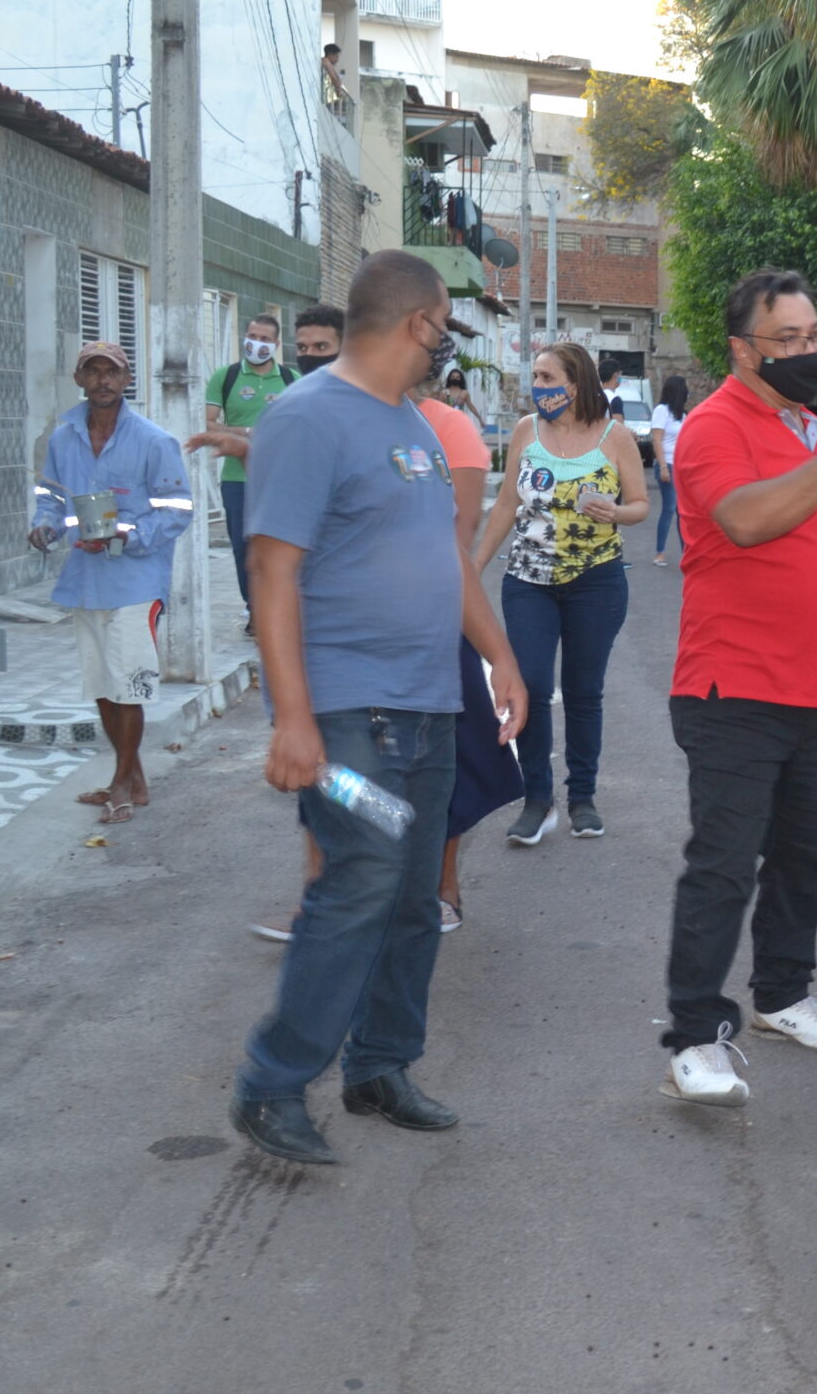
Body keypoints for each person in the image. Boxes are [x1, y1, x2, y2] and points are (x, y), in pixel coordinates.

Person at [227, 249, 529, 1168]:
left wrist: (501, 658)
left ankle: (380, 1065)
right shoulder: (306, 418)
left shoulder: (412, 424)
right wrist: (293, 718)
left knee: (411, 893)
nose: (445, 346)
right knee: (360, 874)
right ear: (417, 324)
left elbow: (446, 555)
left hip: (427, 708)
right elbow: (271, 570)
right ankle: (273, 1083)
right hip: (346, 717)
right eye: (443, 330)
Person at [658, 269, 817, 1106]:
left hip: (814, 689)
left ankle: (783, 993)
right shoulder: (714, 426)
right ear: (742, 349)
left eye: (814, 335)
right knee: (724, 866)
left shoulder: (801, 426)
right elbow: (746, 518)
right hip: (734, 688)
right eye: (788, 339)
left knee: (804, 855)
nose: (808, 351)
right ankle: (694, 1035)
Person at [474, 341, 648, 845]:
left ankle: (582, 798)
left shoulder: (615, 437)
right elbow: (506, 504)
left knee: (583, 690)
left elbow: (640, 504)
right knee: (529, 683)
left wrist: (616, 512)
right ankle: (537, 800)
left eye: (548, 378)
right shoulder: (526, 431)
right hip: (528, 580)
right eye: (536, 377)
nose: (539, 387)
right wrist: (472, 569)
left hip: (597, 581)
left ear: (577, 383)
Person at [28, 341, 194, 825]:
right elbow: (50, 497)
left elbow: (178, 509)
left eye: (112, 372)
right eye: (93, 371)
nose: (102, 380)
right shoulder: (63, 438)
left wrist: (129, 535)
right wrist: (44, 526)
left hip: (136, 580)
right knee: (103, 685)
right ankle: (132, 780)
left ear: (126, 380)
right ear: (79, 379)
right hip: (85, 577)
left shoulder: (154, 441)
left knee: (130, 687)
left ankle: (121, 783)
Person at [204, 313, 294, 624]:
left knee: (278, 546)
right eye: (252, 336)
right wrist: (244, 432)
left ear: (276, 344)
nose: (257, 343)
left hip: (281, 481)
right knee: (243, 549)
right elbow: (209, 423)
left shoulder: (291, 379)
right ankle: (254, 609)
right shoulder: (225, 377)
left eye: (265, 339)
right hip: (236, 480)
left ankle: (275, 610)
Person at [649, 373, 689, 566]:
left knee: (682, 511)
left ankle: (686, 552)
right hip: (667, 464)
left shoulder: (683, 415)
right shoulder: (661, 411)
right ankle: (660, 553)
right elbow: (657, 440)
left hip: (680, 466)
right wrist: (663, 466)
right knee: (670, 507)